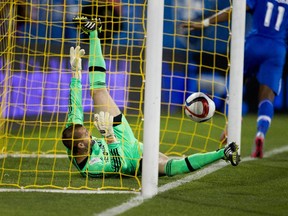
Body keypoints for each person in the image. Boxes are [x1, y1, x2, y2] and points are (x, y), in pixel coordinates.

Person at [61, 17, 240, 179]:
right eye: (86, 135)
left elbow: (75, 108)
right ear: (81, 147)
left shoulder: (73, 134)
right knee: (170, 166)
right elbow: (118, 166)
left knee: (98, 91)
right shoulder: (91, 168)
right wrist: (109, 138)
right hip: (133, 161)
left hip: (118, 135)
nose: (89, 133)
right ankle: (222, 153)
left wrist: (76, 74)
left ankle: (93, 32)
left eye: (86, 131)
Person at [182, 0, 288, 158]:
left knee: (237, 80)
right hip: (277, 49)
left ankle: (232, 122)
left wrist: (205, 22)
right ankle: (260, 134)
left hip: (254, 43)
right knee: (267, 96)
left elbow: (234, 10)